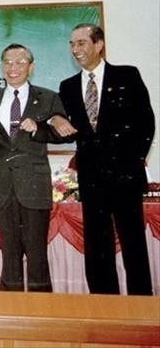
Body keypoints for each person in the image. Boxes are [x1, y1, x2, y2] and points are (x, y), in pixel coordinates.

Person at [52, 23, 155, 295]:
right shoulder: (67, 86)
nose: (75, 49)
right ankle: (103, 303)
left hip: (126, 177)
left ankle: (141, 305)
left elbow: (146, 122)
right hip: (92, 180)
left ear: (98, 45)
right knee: (97, 247)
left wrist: (133, 162)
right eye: (72, 44)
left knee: (133, 244)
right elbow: (60, 124)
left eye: (81, 43)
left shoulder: (127, 75)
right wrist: (55, 118)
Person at [0, 43, 67, 292]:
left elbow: (63, 133)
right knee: (9, 255)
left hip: (34, 185)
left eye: (20, 62)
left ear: (31, 67)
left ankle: (42, 310)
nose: (13, 67)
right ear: (1, 66)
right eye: (8, 62)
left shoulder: (48, 97)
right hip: (2, 185)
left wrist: (39, 128)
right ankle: (9, 308)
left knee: (37, 255)